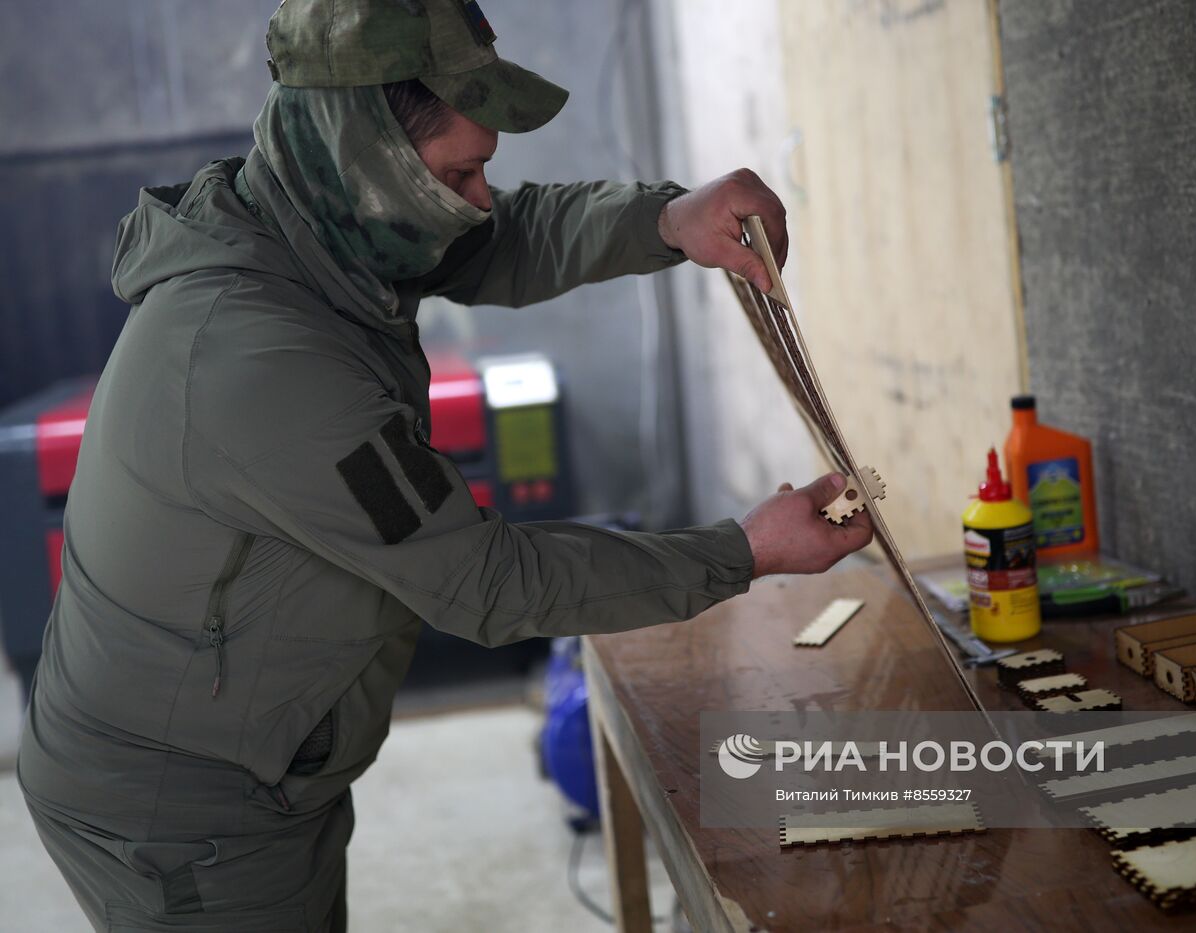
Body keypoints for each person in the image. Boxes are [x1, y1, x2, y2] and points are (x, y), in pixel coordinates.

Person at [17, 1, 872, 929]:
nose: (477, 200)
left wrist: (668, 220)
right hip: (182, 810)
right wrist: (743, 551)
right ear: (363, 158)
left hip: (255, 752)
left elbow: (501, 236)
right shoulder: (263, 362)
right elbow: (487, 581)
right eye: (459, 174)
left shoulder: (316, 222)